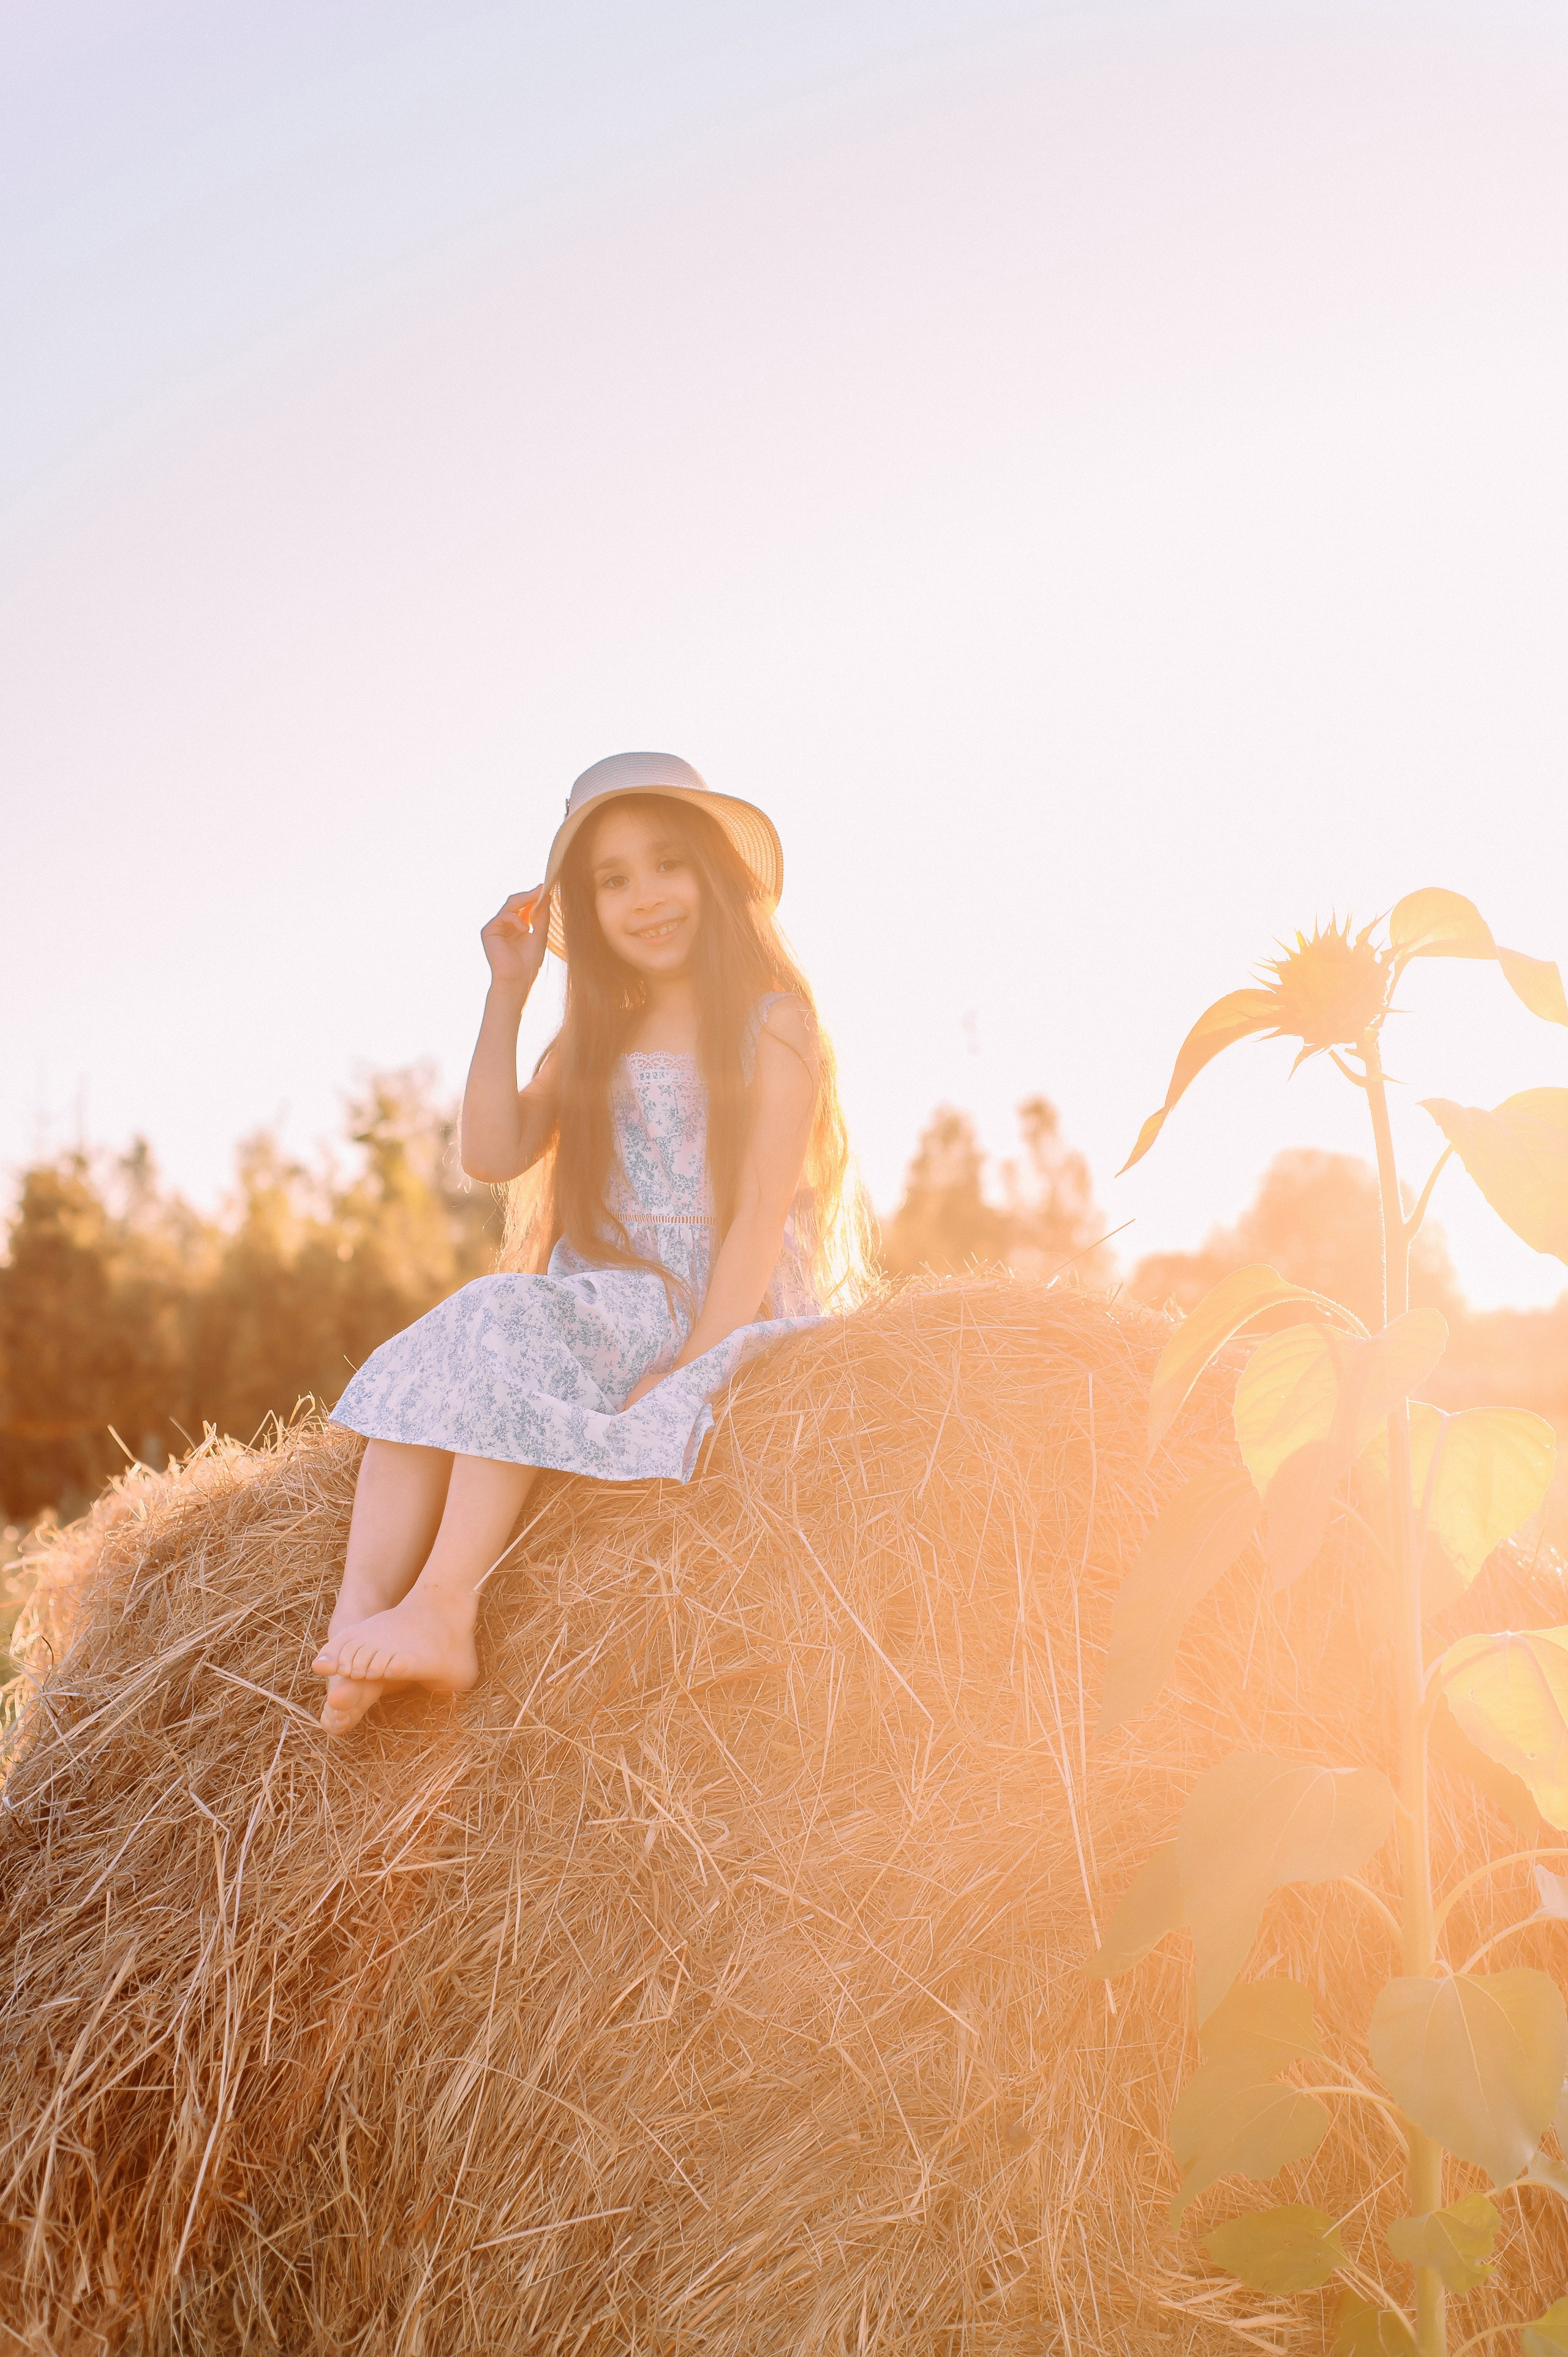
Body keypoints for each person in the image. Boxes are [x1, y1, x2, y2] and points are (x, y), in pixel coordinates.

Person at [313, 751, 865, 1735]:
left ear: (716, 875)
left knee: (506, 1326)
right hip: (609, 1297)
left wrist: (697, 1367)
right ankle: (358, 1614)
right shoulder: (592, 1040)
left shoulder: (773, 1025)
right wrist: (508, 991)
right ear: (586, 906)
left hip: (708, 1305)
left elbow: (754, 1221)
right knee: (447, 1352)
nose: (645, 898)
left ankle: (446, 1606)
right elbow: (490, 1153)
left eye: (667, 865)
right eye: (613, 881)